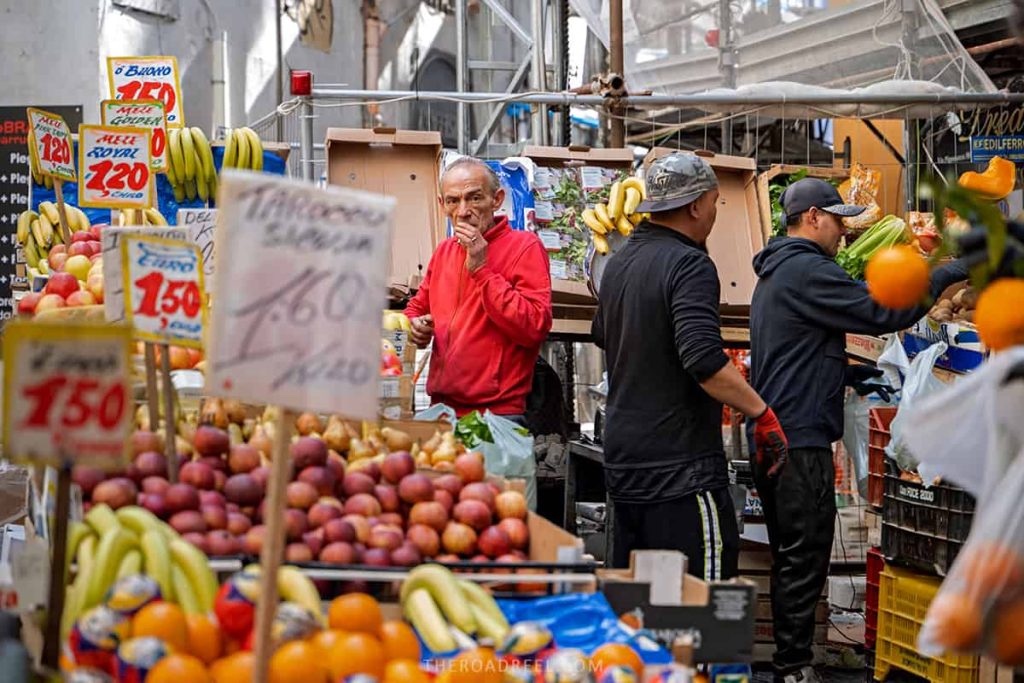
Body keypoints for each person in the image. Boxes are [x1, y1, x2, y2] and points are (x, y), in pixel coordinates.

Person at [748, 178, 969, 683]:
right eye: (839, 220)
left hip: (776, 432)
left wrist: (845, 373)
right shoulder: (806, 269)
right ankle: (793, 667)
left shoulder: (778, 272)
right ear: (813, 219)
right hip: (796, 438)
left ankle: (791, 663)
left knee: (792, 555)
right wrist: (949, 273)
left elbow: (791, 351)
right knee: (804, 556)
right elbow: (881, 311)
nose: (845, 232)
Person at [592, 153, 790, 579]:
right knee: (701, 603)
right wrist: (763, 413)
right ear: (697, 205)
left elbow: (602, 333)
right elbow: (702, 358)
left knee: (640, 600)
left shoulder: (620, 260)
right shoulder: (690, 264)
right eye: (717, 203)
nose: (715, 214)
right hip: (679, 470)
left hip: (625, 463)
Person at [404, 157, 552, 422]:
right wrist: (416, 325)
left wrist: (482, 270)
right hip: (442, 410)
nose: (463, 211)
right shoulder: (445, 252)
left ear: (496, 200)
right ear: (442, 205)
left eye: (474, 198)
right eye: (453, 201)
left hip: (497, 416)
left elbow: (534, 327)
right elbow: (416, 308)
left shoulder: (525, 247)